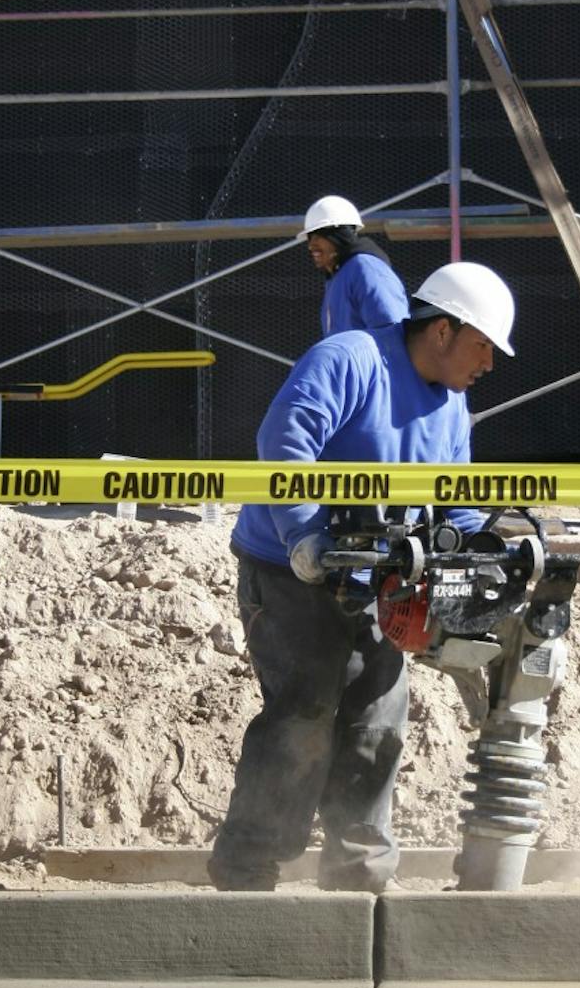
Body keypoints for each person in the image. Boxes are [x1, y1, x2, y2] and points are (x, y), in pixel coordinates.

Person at [207, 260, 516, 893]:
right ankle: (248, 869)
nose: (488, 362)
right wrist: (305, 536)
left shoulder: (452, 408)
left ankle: (359, 874)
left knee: (379, 716)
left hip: (384, 575)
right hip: (291, 569)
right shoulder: (352, 359)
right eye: (482, 344)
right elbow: (285, 440)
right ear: (442, 330)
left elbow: (454, 501)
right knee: (304, 713)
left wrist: (479, 563)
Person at [303, 194, 409, 336]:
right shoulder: (337, 277)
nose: (311, 245)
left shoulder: (366, 267)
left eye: (318, 235)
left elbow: (393, 330)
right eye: (310, 237)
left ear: (339, 235)